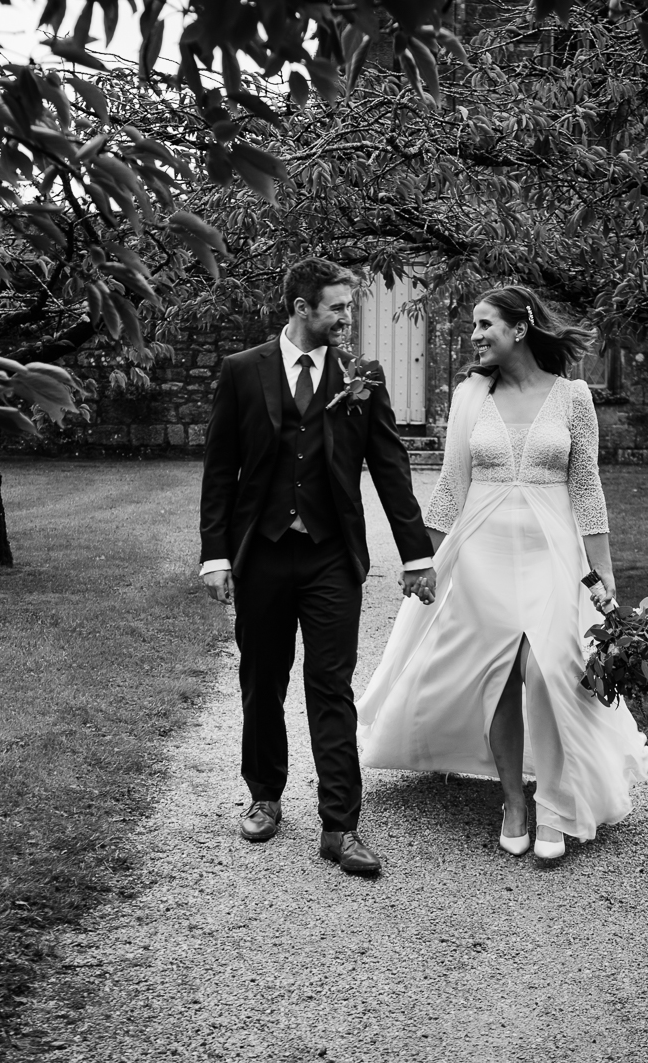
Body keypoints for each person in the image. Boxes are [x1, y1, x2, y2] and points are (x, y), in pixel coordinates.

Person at [357, 285, 648, 862]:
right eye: (473, 325)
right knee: (498, 673)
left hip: (552, 552)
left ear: (521, 328)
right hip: (482, 552)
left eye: (485, 323)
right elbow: (450, 487)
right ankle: (514, 801)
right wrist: (423, 559)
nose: (475, 335)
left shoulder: (572, 398)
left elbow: (587, 486)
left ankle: (557, 803)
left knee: (545, 670)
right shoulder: (470, 395)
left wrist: (603, 571)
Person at [198, 258, 438, 877]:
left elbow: (390, 465)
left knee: (330, 686)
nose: (345, 317)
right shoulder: (242, 372)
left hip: (331, 555)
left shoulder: (361, 377)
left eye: (346, 307)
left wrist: (416, 552)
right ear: (302, 308)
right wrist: (216, 554)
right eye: (336, 307)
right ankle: (265, 796)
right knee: (263, 680)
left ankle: (341, 825)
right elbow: (221, 470)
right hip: (263, 554)